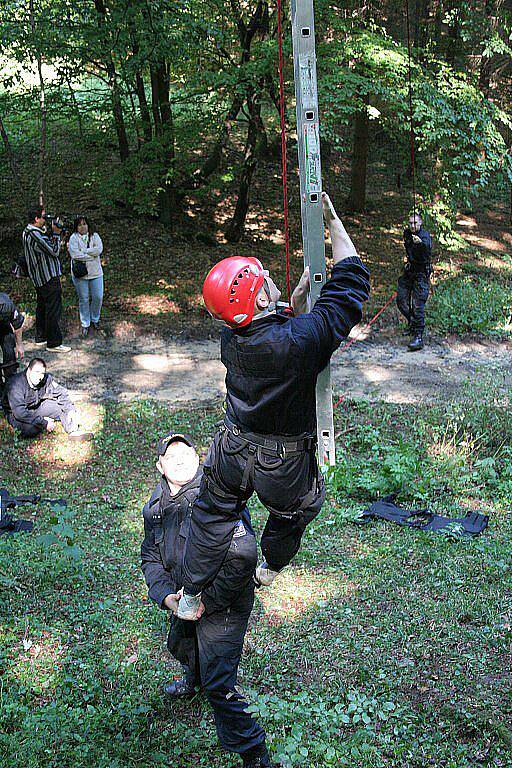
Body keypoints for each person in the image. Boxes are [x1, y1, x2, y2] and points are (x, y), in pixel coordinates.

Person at [177, 192, 371, 621]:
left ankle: (191, 595)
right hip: (280, 466)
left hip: (232, 448)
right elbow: (352, 282)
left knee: (212, 515)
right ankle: (271, 565)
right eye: (263, 279)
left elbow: (268, 338)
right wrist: (333, 222)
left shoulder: (232, 334)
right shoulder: (297, 343)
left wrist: (293, 307)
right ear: (261, 302)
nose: (267, 276)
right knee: (297, 509)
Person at [141, 433, 277, 768]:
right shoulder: (155, 508)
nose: (180, 459)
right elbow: (150, 558)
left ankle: (254, 751)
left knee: (220, 684)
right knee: (181, 645)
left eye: (186, 453)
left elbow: (243, 556)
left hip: (225, 603)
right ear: (160, 465)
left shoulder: (217, 498)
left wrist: (204, 605)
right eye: (171, 456)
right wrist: (169, 598)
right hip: (184, 600)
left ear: (198, 457)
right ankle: (194, 678)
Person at [2, 357, 92, 440]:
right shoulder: (15, 384)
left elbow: (61, 392)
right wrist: (44, 422)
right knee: (31, 430)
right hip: (15, 413)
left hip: (36, 406)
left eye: (42, 373)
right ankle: (39, 422)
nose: (39, 377)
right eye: (36, 372)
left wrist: (70, 409)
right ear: (29, 370)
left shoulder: (46, 378)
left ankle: (73, 431)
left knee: (61, 407)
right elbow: (20, 413)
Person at [22, 205, 70, 352]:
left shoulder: (28, 231)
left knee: (42, 307)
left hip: (39, 277)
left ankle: (41, 337)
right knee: (53, 309)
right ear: (36, 219)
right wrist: (56, 234)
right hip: (47, 276)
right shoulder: (34, 234)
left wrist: (52, 233)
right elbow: (54, 251)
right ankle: (54, 343)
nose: (46, 219)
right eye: (43, 217)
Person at [396, 212, 432, 351]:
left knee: (418, 305)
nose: (413, 225)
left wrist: (420, 244)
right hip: (410, 271)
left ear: (421, 223)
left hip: (421, 274)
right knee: (401, 300)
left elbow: (427, 248)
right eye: (410, 223)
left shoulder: (424, 236)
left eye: (415, 223)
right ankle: (412, 324)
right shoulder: (407, 234)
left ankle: (418, 336)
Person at [68, 216, 104, 338]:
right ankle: (85, 323)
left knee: (98, 297)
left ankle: (95, 319)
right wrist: (90, 254)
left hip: (96, 273)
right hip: (80, 274)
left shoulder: (95, 236)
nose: (82, 227)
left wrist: (84, 251)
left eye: (84, 224)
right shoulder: (73, 238)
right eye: (80, 225)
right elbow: (74, 254)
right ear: (76, 227)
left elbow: (99, 250)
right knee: (83, 298)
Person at [0, 291, 25, 392]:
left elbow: (17, 325)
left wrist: (19, 345)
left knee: (10, 355)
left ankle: (11, 389)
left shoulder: (7, 305)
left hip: (3, 328)